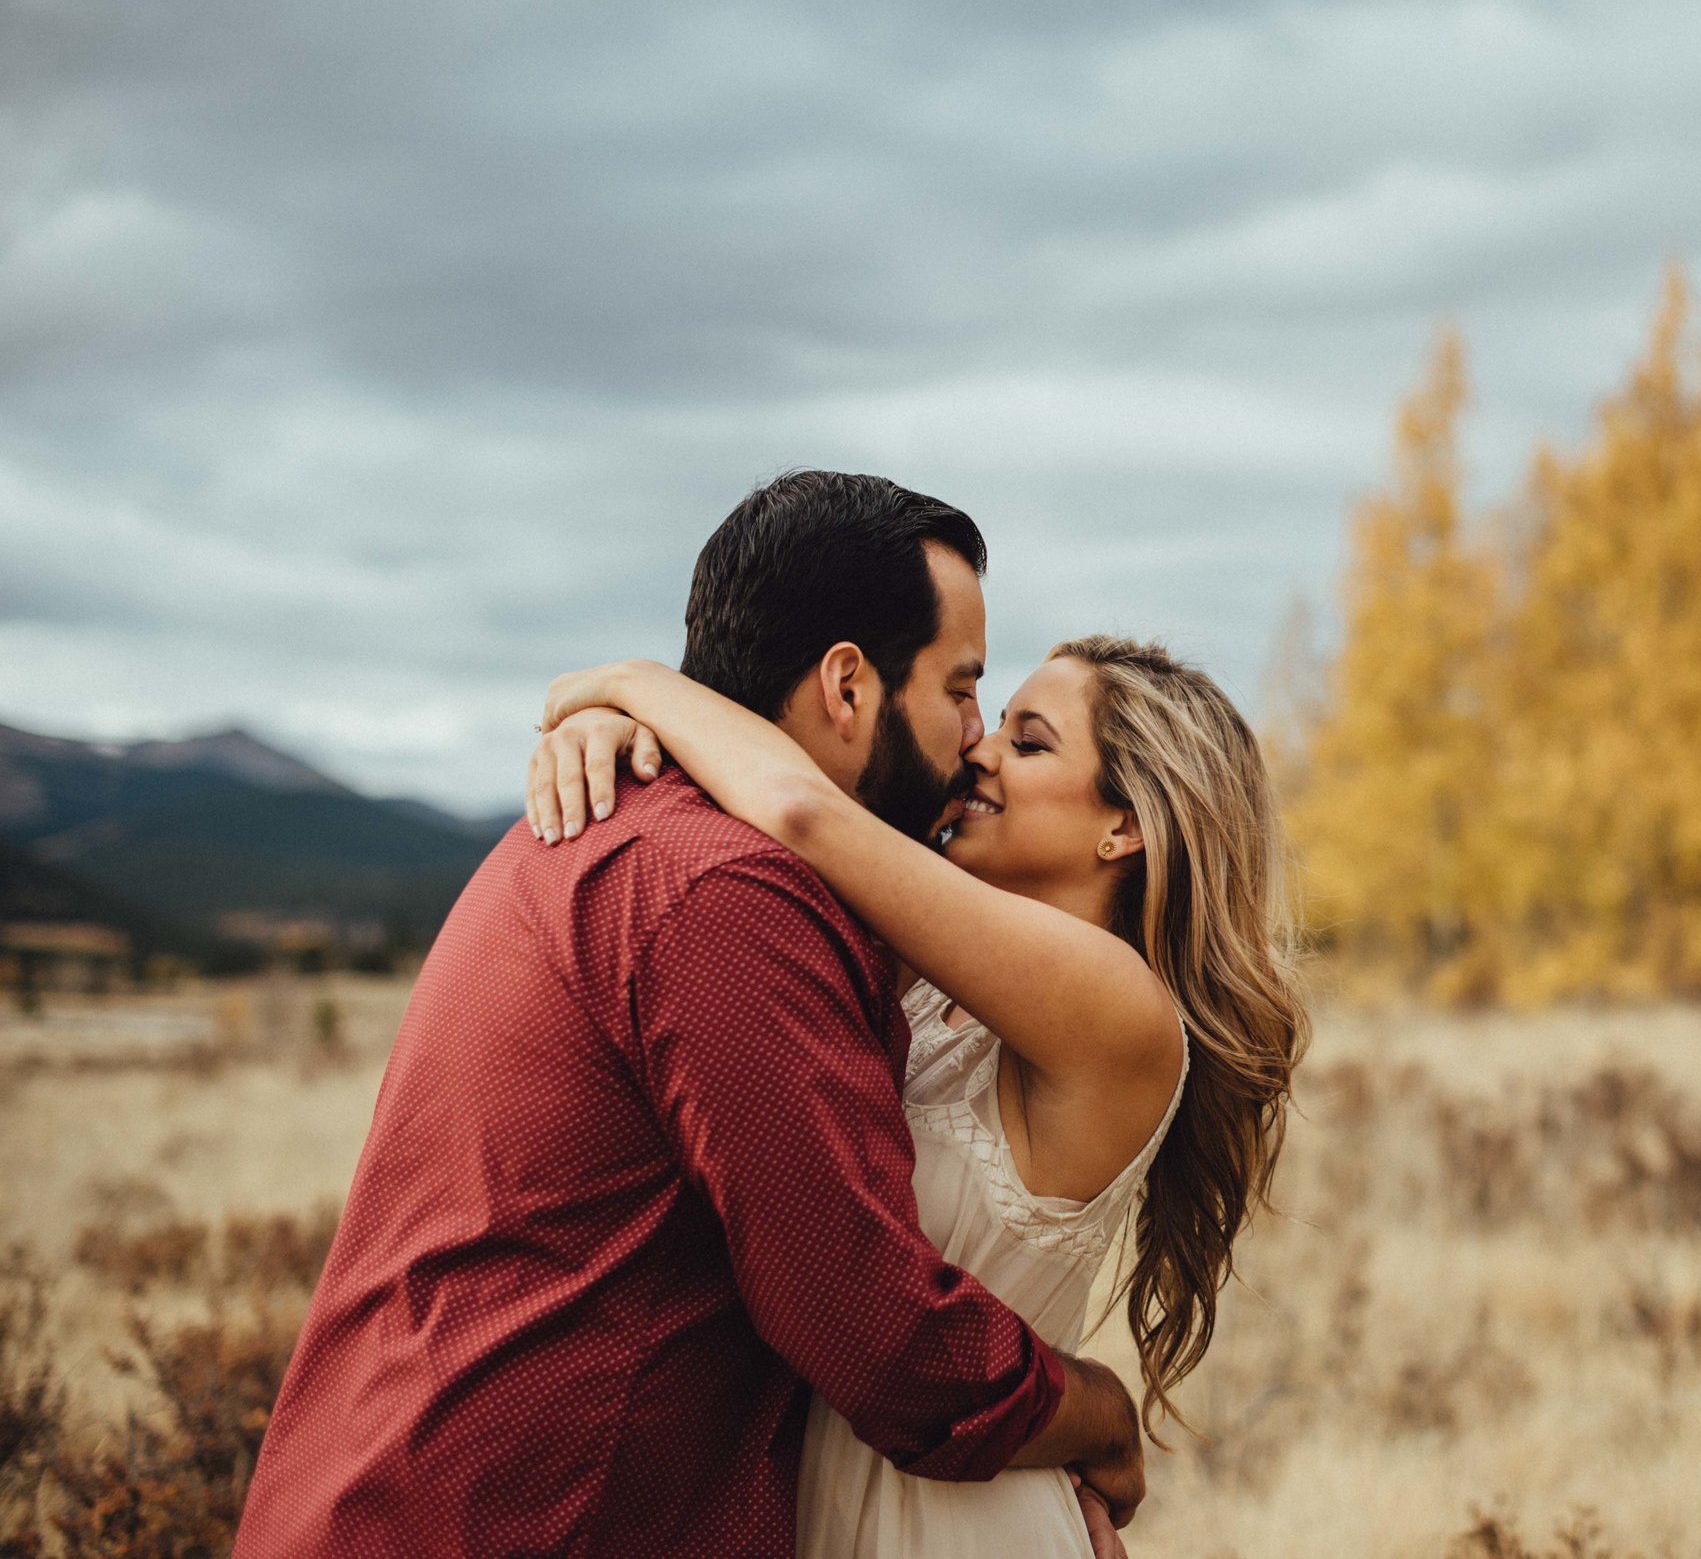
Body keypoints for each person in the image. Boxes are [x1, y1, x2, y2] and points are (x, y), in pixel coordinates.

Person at [237, 474, 1147, 1559]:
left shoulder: (634, 828)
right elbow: (883, 1340)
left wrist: (627, 697)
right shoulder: (728, 897)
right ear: (847, 687)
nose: (973, 736)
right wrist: (1101, 1410)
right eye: (960, 688)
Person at [523, 625, 1307, 1555]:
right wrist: (622, 741)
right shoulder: (927, 979)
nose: (979, 750)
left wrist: (630, 680)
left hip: (956, 1524)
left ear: (1124, 825)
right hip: (826, 1495)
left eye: (1028, 741)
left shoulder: (1124, 1012)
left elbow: (800, 812)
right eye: (994, 725)